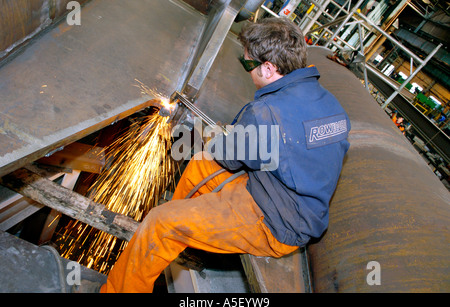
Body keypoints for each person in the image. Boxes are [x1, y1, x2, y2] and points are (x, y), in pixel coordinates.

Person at [100, 17, 351, 293]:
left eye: (248, 65)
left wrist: (212, 136)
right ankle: (183, 226)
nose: (248, 72)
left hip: (275, 223)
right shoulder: (329, 102)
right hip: (283, 192)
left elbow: (229, 156)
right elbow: (282, 148)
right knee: (201, 164)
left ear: (268, 68)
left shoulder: (265, 113)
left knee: (159, 223)